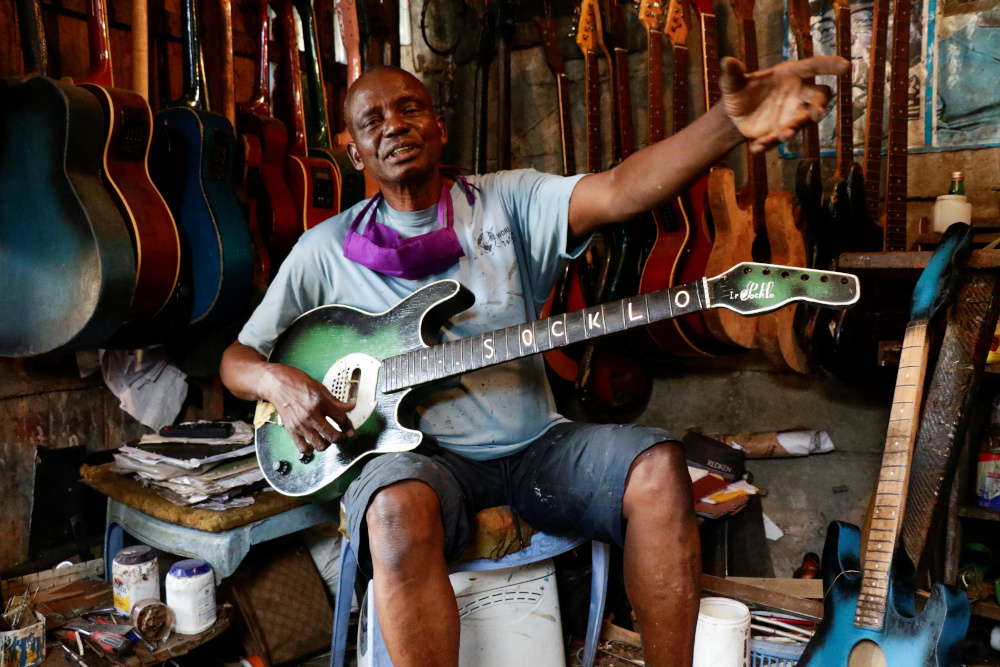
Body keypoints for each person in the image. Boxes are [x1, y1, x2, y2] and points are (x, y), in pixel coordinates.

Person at [221, 54, 850, 666]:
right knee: (391, 509)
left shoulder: (507, 202)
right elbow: (236, 358)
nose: (395, 125)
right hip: (415, 461)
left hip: (534, 448)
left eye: (410, 108)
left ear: (439, 125)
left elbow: (623, 189)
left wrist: (728, 123)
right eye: (373, 119)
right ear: (354, 151)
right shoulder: (323, 251)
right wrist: (278, 379)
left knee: (659, 467)